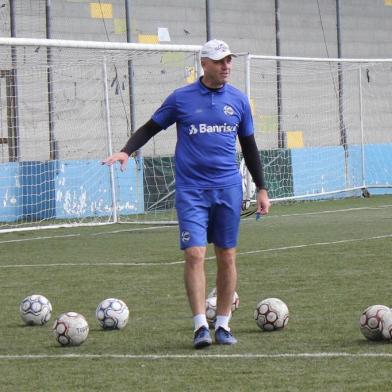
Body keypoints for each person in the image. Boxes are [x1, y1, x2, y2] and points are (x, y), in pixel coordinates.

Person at [102, 39, 270, 349]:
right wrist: (126, 151)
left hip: (227, 189)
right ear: (204, 63)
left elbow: (249, 146)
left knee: (227, 256)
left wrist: (261, 188)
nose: (226, 66)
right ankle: (199, 327)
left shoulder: (239, 100)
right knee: (194, 254)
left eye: (229, 60)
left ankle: (222, 325)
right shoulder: (181, 99)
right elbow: (151, 127)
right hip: (192, 191)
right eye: (220, 61)